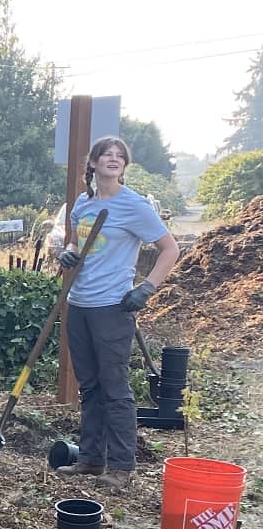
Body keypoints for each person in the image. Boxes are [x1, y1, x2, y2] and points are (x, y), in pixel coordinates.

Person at [55, 135, 181, 490]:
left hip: (112, 307)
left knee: (115, 388)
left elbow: (169, 249)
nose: (113, 159)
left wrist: (147, 288)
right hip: (78, 303)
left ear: (124, 165)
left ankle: (123, 466)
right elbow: (75, 240)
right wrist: (67, 251)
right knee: (90, 386)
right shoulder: (83, 203)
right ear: (92, 164)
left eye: (119, 156)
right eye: (105, 155)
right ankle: (91, 460)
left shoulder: (134, 205)